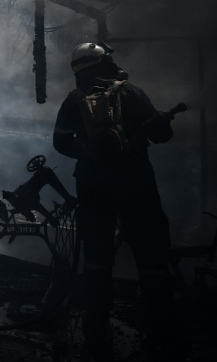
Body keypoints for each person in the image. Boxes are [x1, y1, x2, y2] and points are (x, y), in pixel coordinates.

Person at [53, 42, 179, 361]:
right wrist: (160, 123)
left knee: (97, 255)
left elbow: (60, 141)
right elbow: (162, 136)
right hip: (134, 181)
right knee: (150, 251)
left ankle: (95, 331)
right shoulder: (130, 93)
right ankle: (161, 330)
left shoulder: (73, 100)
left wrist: (89, 155)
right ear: (102, 62)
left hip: (92, 183)